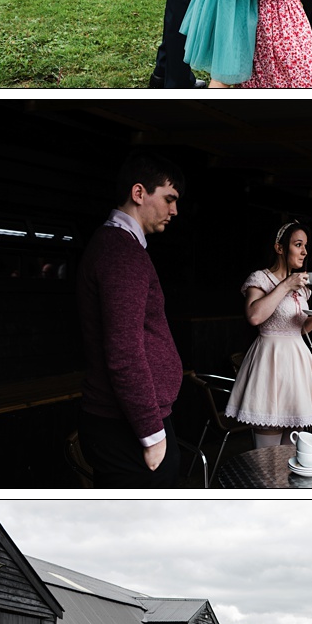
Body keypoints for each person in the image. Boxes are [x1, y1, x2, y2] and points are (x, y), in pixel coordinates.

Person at [76, 151, 185, 486]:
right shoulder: (121, 253)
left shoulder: (119, 247)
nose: (174, 211)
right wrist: (152, 434)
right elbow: (124, 352)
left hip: (129, 421)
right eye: (169, 199)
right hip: (128, 426)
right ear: (139, 193)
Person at [224, 221, 312, 447]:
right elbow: (254, 317)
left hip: (297, 365)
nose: (304, 251)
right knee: (267, 452)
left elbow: (297, 329)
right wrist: (285, 285)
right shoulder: (260, 279)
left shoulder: (303, 287)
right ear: (280, 248)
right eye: (298, 245)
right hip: (270, 363)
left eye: (306, 246)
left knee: (293, 449)